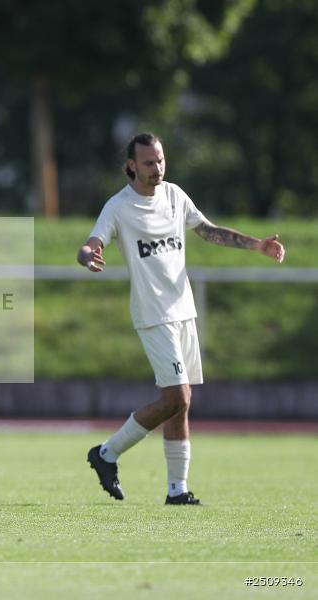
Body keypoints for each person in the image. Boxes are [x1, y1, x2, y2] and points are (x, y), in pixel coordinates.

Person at [77, 133, 285, 505]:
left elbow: (208, 231)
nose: (157, 169)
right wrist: (86, 255)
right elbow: (93, 242)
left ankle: (177, 490)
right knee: (177, 396)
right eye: (148, 163)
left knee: (181, 403)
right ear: (131, 166)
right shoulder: (118, 207)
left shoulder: (175, 195)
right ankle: (106, 453)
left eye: (160, 161)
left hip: (183, 310)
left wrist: (256, 244)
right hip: (153, 315)